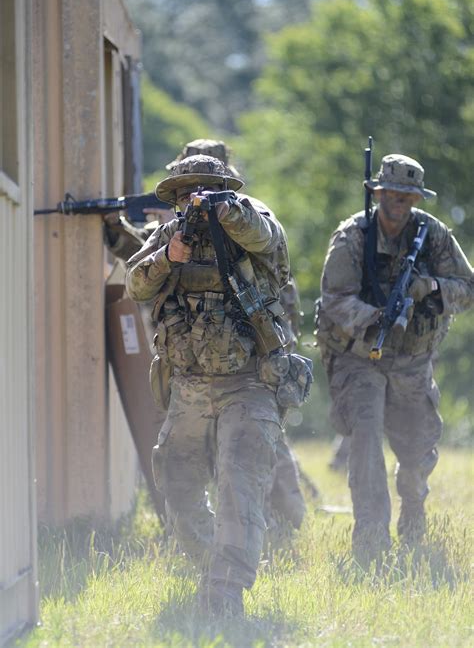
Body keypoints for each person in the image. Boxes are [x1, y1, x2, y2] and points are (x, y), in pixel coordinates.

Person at [126, 155, 306, 615]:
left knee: (238, 483)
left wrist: (226, 211)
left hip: (248, 383)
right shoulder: (171, 236)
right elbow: (135, 285)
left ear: (226, 189)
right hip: (189, 386)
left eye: (204, 191)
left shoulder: (251, 218)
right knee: (178, 483)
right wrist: (168, 258)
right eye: (187, 194)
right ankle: (211, 562)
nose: (195, 201)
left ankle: (226, 590)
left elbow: (263, 236)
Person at [315, 153, 473, 567]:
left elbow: (467, 287)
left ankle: (414, 512)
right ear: (378, 192)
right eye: (391, 193)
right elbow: (334, 300)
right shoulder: (352, 236)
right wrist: (378, 318)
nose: (398, 202)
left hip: (411, 361)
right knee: (366, 444)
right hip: (360, 356)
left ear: (415, 199)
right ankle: (370, 541)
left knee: (418, 451)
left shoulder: (433, 235)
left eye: (406, 195)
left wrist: (430, 287)